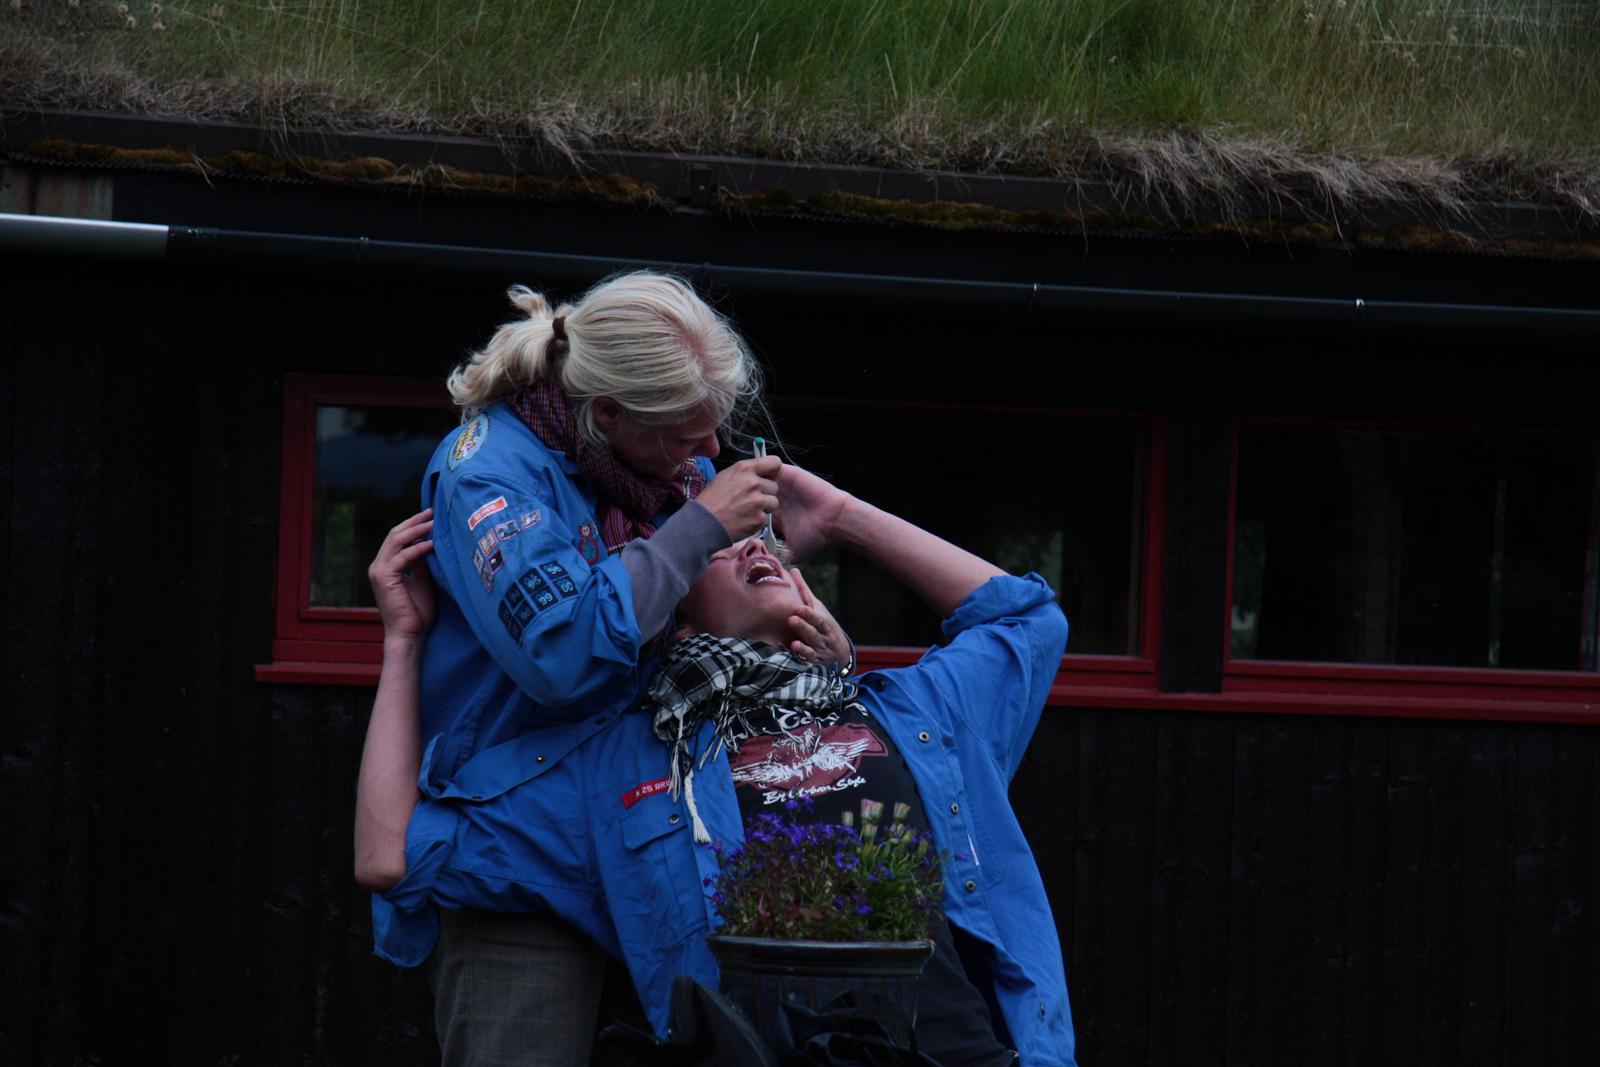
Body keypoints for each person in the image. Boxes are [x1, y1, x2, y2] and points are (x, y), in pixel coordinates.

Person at [359, 463, 1079, 1067]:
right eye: (718, 547)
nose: (756, 548)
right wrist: (403, 643)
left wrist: (839, 515)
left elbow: (1026, 620)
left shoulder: (912, 708)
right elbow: (391, 854)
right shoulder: (620, 770)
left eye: (775, 548)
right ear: (672, 612)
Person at [360, 272, 848, 1067]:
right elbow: (563, 654)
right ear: (609, 411)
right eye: (687, 437)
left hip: (653, 852)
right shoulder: (488, 476)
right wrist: (698, 527)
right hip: (523, 869)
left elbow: (714, 629)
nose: (710, 456)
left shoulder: (658, 472)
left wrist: (817, 643)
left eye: (715, 431)